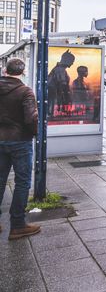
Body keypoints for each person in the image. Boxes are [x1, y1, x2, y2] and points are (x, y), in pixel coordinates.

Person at [0, 58, 40, 240]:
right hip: (20, 141)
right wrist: (33, 134)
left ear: (5, 70)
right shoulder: (25, 92)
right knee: (22, 182)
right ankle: (17, 225)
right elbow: (31, 119)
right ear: (22, 72)